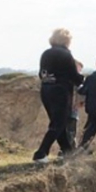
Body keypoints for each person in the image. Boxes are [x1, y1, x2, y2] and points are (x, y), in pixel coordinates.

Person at [32, 28, 85, 163]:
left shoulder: (46, 53)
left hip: (46, 89)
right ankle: (41, 152)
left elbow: (41, 74)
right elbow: (74, 76)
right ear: (66, 40)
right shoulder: (66, 55)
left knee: (57, 123)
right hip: (60, 91)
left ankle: (68, 152)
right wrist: (83, 80)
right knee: (59, 122)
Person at [62, 59, 85, 155]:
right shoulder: (72, 80)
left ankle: (70, 149)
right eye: (78, 68)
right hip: (69, 109)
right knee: (69, 131)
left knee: (70, 131)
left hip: (70, 110)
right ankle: (67, 150)